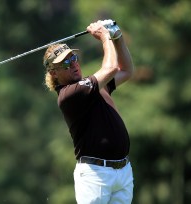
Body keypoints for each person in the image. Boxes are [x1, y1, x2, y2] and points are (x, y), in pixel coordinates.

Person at [43, 20, 134, 204]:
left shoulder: (92, 85)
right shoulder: (69, 94)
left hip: (122, 171)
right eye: (66, 63)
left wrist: (117, 37)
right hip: (95, 176)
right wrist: (104, 37)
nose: (74, 64)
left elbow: (127, 70)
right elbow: (110, 68)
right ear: (53, 73)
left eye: (73, 58)